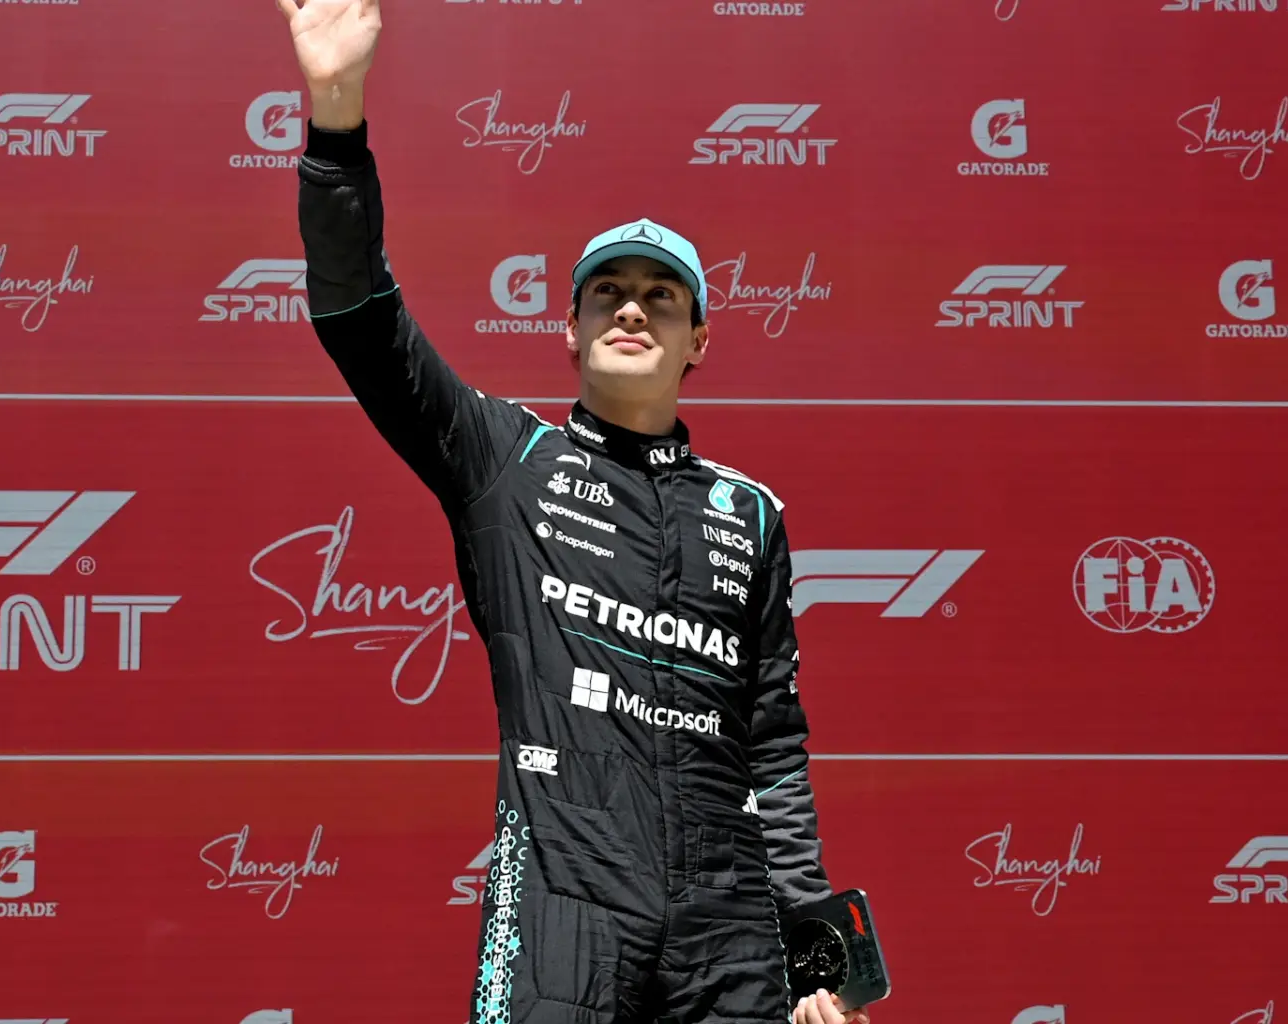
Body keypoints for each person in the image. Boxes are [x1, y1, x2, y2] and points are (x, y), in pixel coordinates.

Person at [275, 3, 866, 1022]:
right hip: (561, 898)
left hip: (730, 920)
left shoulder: (750, 514)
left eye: (661, 297)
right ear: (570, 327)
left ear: (698, 340)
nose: (632, 308)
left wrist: (818, 957)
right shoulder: (508, 459)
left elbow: (772, 747)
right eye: (608, 293)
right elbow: (360, 320)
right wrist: (337, 114)